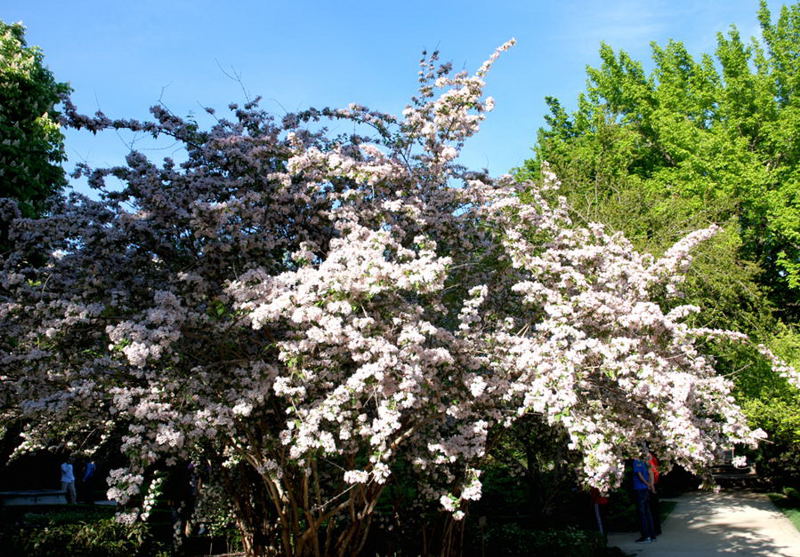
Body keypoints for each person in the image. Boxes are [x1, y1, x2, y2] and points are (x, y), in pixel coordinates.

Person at [632, 451, 656, 543]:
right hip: (645, 489)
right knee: (647, 512)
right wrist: (651, 485)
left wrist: (647, 484)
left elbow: (639, 474)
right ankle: (652, 535)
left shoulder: (637, 461)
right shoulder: (645, 461)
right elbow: (651, 472)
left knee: (642, 513)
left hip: (640, 488)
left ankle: (646, 536)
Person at [648, 449, 662, 536]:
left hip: (653, 484)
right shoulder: (653, 458)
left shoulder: (650, 458)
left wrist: (652, 486)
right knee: (654, 508)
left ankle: (655, 529)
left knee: (652, 509)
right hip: (655, 483)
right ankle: (656, 529)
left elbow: (652, 471)